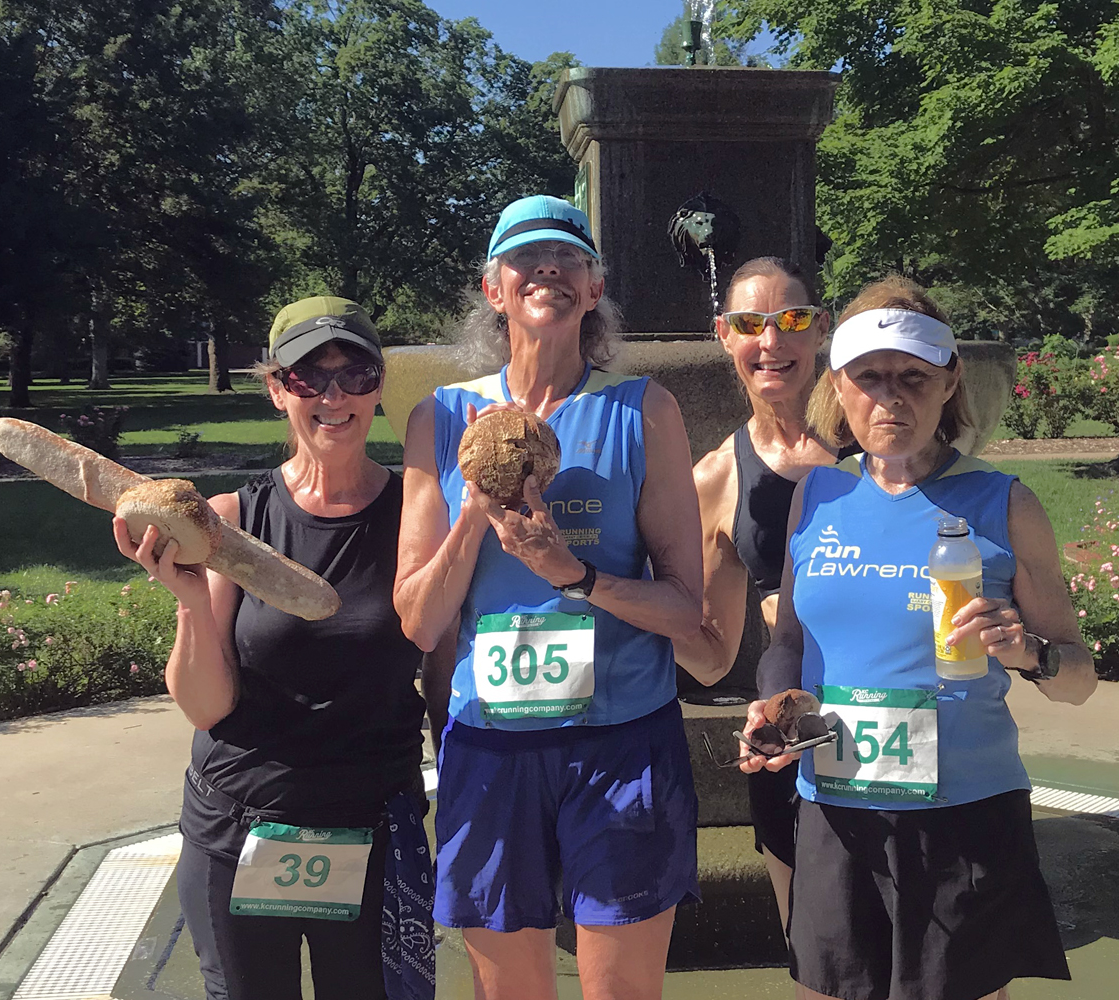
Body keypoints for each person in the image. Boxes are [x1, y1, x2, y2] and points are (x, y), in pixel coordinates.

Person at [740, 276, 1096, 1000]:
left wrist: (1027, 651)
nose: (890, 398)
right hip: (837, 809)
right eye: (868, 378)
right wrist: (776, 703)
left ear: (949, 380)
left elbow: (1079, 679)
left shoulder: (1003, 502)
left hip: (963, 818)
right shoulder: (820, 494)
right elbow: (790, 637)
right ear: (837, 385)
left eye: (912, 378)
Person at [393, 195, 704, 1000]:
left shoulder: (645, 411)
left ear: (595, 288)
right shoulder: (443, 417)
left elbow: (685, 611)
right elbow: (420, 619)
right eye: (526, 258)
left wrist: (577, 575)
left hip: (624, 741)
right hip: (493, 746)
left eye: (569, 258)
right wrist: (474, 511)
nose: (549, 271)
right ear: (493, 288)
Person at [113, 296, 434, 1000]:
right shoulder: (230, 525)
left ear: (379, 385)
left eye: (356, 374)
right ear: (275, 389)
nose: (334, 396)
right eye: (307, 378)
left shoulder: (418, 515)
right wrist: (193, 602)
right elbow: (206, 708)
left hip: (371, 827)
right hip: (240, 826)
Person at [672, 256, 850, 934]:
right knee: (814, 950)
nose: (771, 342)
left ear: (820, 328)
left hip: (896, 718)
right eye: (750, 324)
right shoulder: (718, 476)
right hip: (789, 730)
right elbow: (712, 659)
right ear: (724, 335)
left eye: (793, 320)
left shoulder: (873, 442)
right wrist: (605, 589)